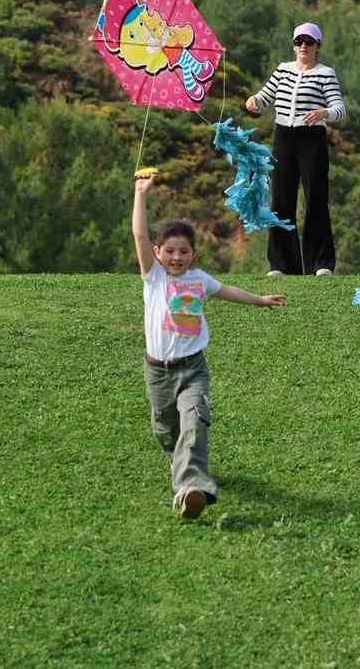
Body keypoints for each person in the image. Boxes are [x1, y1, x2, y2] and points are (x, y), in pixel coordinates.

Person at [133, 171, 285, 519]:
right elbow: (139, 233)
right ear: (157, 253)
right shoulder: (153, 278)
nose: (176, 257)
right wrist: (141, 194)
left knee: (195, 421)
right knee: (165, 429)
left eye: (183, 252)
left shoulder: (198, 280)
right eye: (169, 251)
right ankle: (182, 467)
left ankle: (191, 489)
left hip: (192, 368)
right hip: (158, 371)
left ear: (193, 255)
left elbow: (227, 291)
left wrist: (260, 300)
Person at [243, 22, 346, 276]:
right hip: (284, 138)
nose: (303, 47)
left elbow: (340, 109)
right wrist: (253, 101)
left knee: (316, 200)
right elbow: (264, 97)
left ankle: (321, 263)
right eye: (298, 42)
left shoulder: (325, 73)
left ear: (318, 46)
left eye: (309, 42)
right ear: (293, 45)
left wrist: (325, 112)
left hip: (312, 139)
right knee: (281, 200)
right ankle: (281, 264)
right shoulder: (283, 70)